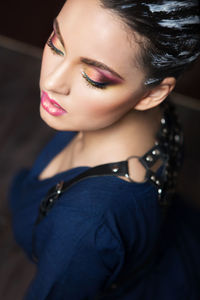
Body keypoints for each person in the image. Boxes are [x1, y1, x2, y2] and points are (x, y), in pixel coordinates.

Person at [8, 0, 200, 299]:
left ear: (153, 94)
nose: (52, 82)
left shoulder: (84, 227)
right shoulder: (148, 110)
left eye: (94, 77)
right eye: (56, 43)